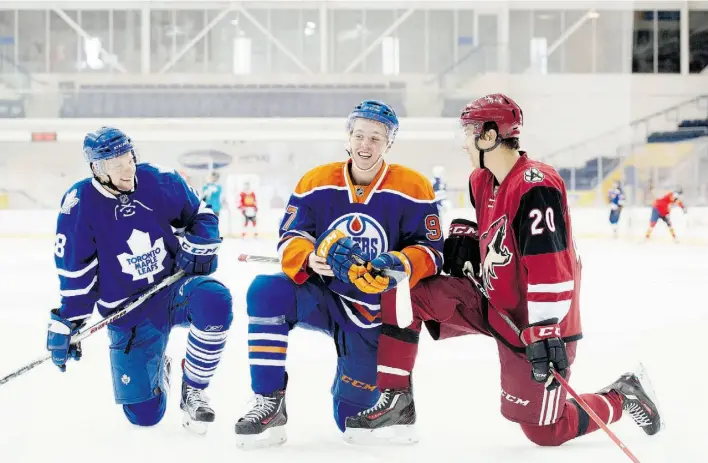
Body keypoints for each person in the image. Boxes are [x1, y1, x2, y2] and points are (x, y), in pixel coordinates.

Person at [345, 94, 663, 447]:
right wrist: (465, 240)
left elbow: (551, 267)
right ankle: (397, 401)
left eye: (469, 132)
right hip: (493, 302)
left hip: (536, 322)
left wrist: (545, 331)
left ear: (489, 135)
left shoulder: (535, 184)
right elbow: (490, 229)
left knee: (545, 431)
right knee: (404, 290)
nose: (464, 142)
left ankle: (622, 396)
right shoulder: (481, 179)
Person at [233, 100, 443, 449]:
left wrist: (398, 264)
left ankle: (351, 378)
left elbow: (433, 251)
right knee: (266, 291)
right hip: (324, 295)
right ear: (348, 135)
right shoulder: (316, 181)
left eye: (376, 138)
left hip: (372, 311)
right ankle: (269, 401)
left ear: (389, 142)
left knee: (350, 418)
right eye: (359, 135)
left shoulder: (413, 186)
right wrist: (309, 257)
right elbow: (290, 237)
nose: (365, 145)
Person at [47, 127, 233, 435]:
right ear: (96, 169)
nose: (126, 169)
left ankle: (194, 390)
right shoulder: (79, 203)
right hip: (128, 309)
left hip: (172, 289)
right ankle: (160, 368)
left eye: (128, 158)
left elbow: (201, 216)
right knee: (144, 416)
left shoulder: (158, 180)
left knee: (214, 299)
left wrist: (201, 242)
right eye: (114, 164)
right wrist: (68, 320)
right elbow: (76, 273)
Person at [432, 165, 451, 230]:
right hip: (436, 202)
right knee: (438, 216)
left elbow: (445, 192)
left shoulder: (443, 182)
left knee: (443, 216)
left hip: (442, 201)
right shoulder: (433, 182)